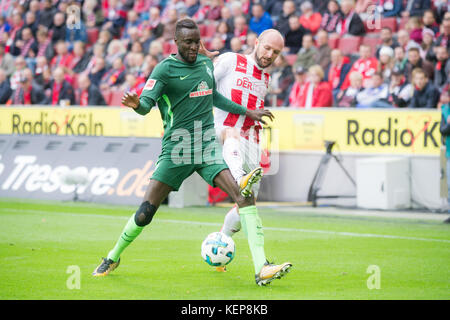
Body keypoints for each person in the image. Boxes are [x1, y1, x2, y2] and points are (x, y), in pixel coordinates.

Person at [93, 19, 292, 286]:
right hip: (177, 148)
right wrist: (136, 104)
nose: (193, 47)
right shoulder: (164, 69)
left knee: (243, 198)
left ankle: (261, 268)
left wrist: (247, 112)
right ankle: (113, 255)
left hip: (207, 144)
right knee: (145, 213)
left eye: (196, 41)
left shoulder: (204, 65)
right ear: (175, 42)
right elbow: (146, 105)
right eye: (187, 42)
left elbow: (214, 97)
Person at [200, 29, 291, 279]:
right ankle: (261, 266)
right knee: (231, 134)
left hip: (251, 142)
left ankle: (221, 240)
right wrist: (203, 62)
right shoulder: (231, 60)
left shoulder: (266, 78)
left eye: (276, 52)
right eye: (267, 48)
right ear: (256, 43)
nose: (269, 54)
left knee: (246, 206)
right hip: (224, 132)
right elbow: (203, 84)